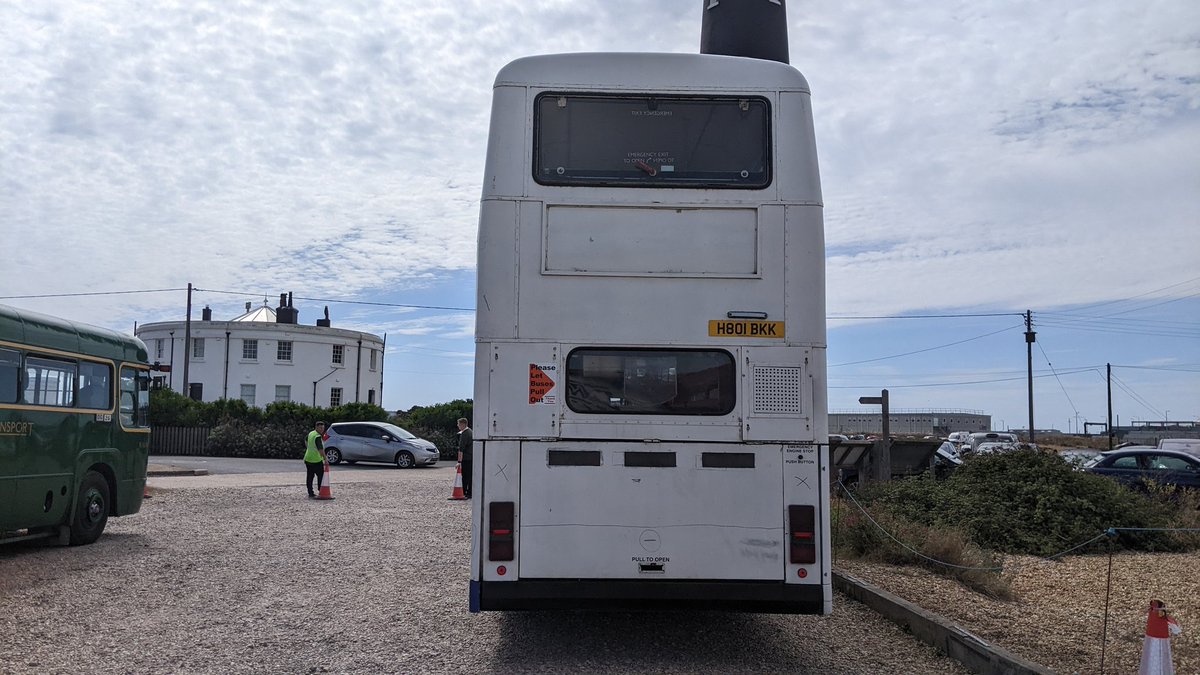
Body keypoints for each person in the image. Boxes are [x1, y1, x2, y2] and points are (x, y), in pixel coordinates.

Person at [1140, 598, 1182, 675]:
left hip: (1156, 637)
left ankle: (1153, 670)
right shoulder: (1159, 613)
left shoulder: (1153, 613)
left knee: (1155, 654)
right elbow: (1169, 620)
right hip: (1157, 637)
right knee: (1157, 654)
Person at [304, 421, 328, 499]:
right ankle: (321, 491)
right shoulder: (317, 437)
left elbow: (306, 440)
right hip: (316, 460)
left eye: (323, 428)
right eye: (320, 428)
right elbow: (321, 450)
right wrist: (325, 459)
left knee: (310, 476)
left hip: (308, 458)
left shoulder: (311, 433)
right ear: (316, 427)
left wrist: (308, 448)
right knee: (320, 476)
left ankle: (310, 492)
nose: (322, 430)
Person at [457, 417, 473, 499]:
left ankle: (464, 492)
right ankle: (470, 492)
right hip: (472, 457)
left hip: (466, 458)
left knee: (465, 476)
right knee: (470, 476)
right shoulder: (471, 432)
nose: (458, 426)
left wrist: (459, 461)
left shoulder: (464, 434)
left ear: (463, 424)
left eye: (459, 424)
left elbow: (461, 448)